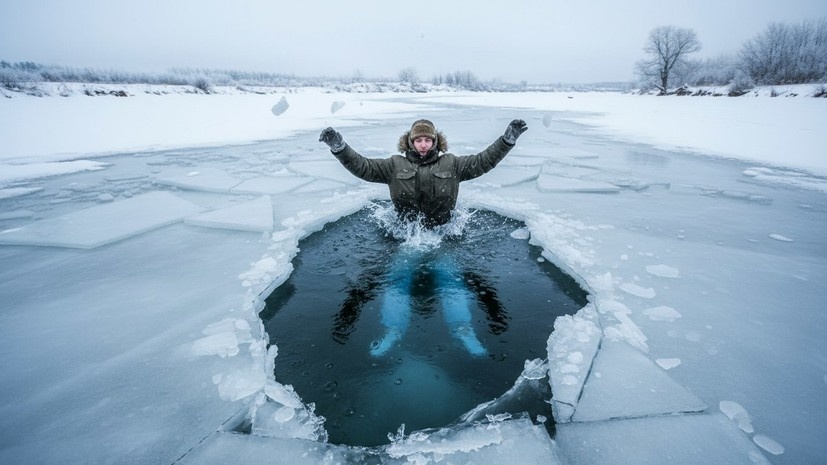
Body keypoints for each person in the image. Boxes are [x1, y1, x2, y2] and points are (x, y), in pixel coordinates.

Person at [319, 118, 528, 356]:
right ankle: (393, 331)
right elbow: (363, 167)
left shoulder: (453, 164)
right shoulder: (394, 165)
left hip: (442, 236)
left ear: (436, 141)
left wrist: (507, 141)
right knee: (398, 279)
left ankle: (463, 330)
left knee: (451, 280)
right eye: (418, 140)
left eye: (428, 139)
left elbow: (484, 161)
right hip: (407, 238)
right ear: (410, 141)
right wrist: (339, 148)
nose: (423, 145)